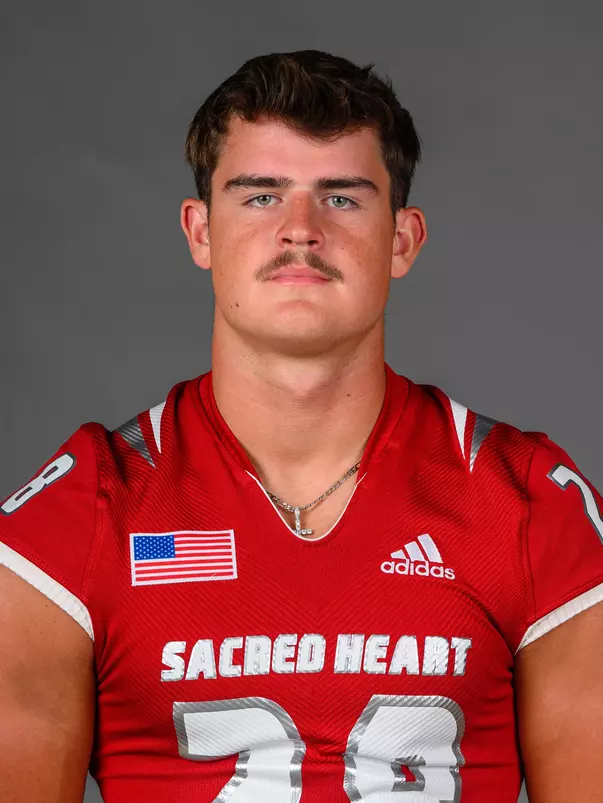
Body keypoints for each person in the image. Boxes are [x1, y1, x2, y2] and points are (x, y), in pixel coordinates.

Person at [1, 49, 602, 803]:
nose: (300, 230)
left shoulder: (527, 500)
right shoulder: (81, 512)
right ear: (200, 232)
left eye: (341, 198)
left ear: (403, 239)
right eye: (260, 196)